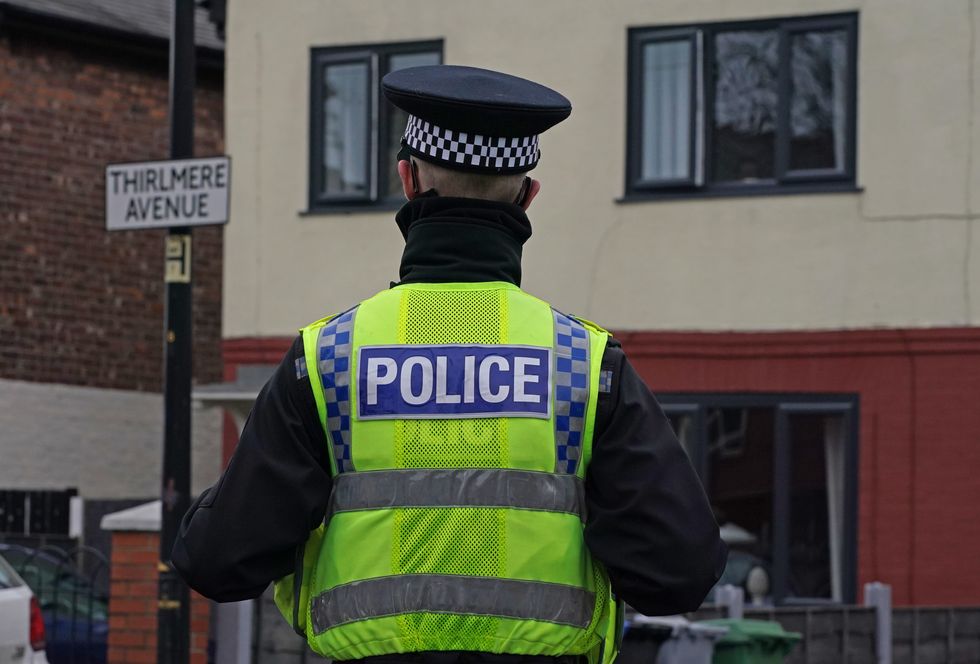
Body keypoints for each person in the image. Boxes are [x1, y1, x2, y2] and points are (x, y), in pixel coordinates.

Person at [173, 65, 726, 663]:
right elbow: (679, 573)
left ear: (407, 180)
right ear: (527, 195)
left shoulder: (329, 360)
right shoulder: (585, 366)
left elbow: (218, 562)